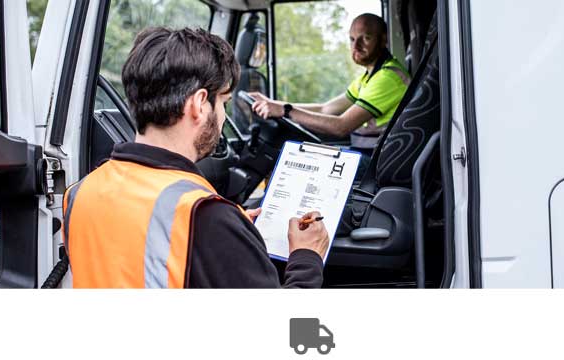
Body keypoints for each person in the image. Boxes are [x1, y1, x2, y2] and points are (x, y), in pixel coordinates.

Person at [62, 27, 329, 288]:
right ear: (199, 104)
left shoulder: (78, 194)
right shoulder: (207, 218)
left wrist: (231, 234)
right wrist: (307, 257)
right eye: (223, 102)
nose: (223, 116)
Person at [249, 13, 410, 157]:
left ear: (383, 40)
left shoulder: (388, 77)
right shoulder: (368, 77)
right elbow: (326, 108)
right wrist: (273, 104)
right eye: (352, 39)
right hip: (367, 153)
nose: (356, 46)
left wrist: (286, 111)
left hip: (378, 161)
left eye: (365, 38)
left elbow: (341, 127)